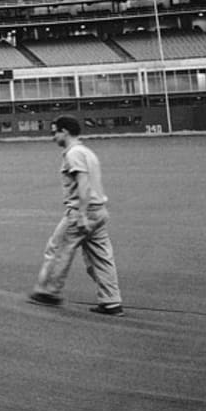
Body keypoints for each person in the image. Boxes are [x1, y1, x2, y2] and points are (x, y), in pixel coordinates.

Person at [29, 115, 123, 316]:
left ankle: (48, 292)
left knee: (57, 250)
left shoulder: (73, 153)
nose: (53, 136)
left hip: (83, 211)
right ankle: (111, 301)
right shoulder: (87, 152)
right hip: (99, 212)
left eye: (55, 131)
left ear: (64, 131)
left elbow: (84, 184)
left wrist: (80, 215)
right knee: (101, 258)